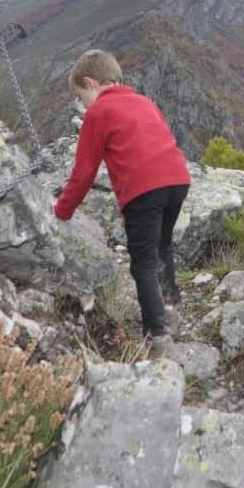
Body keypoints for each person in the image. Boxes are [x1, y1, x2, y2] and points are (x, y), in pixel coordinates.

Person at [52, 49, 191, 357]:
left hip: (144, 189)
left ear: (90, 83)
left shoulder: (98, 113)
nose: (82, 104)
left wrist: (61, 212)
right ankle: (170, 307)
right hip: (177, 180)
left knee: (142, 263)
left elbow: (84, 173)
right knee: (162, 247)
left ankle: (158, 337)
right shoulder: (145, 102)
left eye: (80, 96)